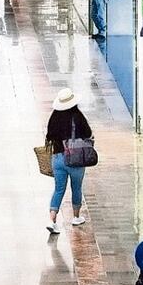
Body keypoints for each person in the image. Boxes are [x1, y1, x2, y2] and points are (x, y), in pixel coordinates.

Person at [45, 88, 92, 233]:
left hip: (57, 158)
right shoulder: (77, 117)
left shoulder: (54, 118)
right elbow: (88, 133)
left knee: (59, 189)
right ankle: (76, 217)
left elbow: (49, 136)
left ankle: (52, 220)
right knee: (76, 188)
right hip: (75, 158)